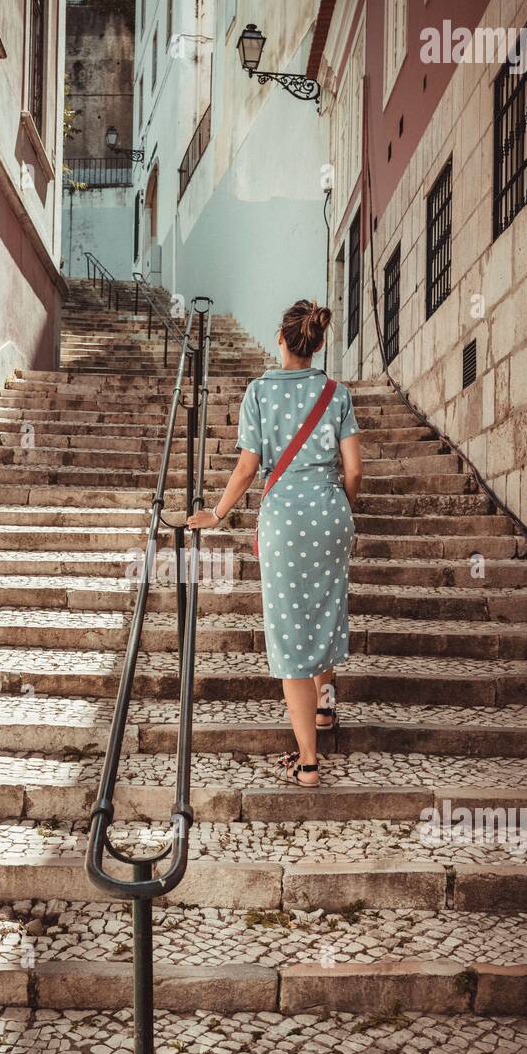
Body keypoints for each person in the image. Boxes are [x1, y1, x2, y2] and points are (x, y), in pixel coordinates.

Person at [187, 299, 363, 787]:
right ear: (319, 343)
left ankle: (308, 762)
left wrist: (218, 513)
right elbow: (354, 469)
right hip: (331, 514)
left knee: (289, 632)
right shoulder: (336, 393)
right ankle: (325, 709)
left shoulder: (260, 392)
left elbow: (247, 467)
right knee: (327, 606)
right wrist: (342, 509)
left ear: (280, 340)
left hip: (285, 519)